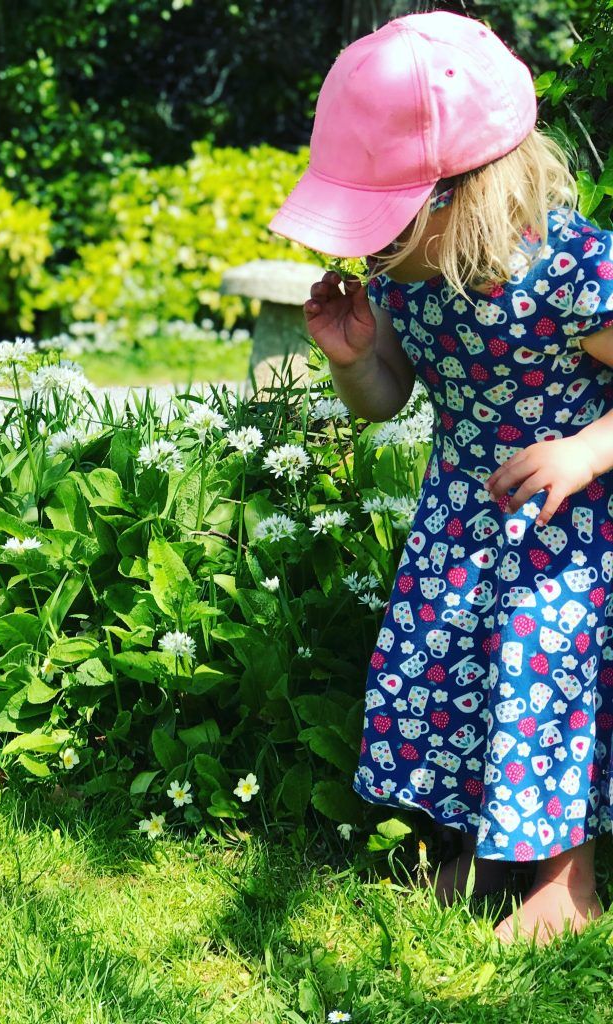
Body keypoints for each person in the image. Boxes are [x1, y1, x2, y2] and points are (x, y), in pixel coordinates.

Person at [267, 9, 613, 947]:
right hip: (467, 518)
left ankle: (564, 883)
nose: (366, 251)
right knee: (461, 667)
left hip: (572, 527)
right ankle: (495, 848)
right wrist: (352, 357)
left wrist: (585, 450)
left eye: (382, 224)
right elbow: (386, 400)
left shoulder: (572, 274)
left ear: (465, 193)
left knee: (548, 673)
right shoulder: (411, 281)